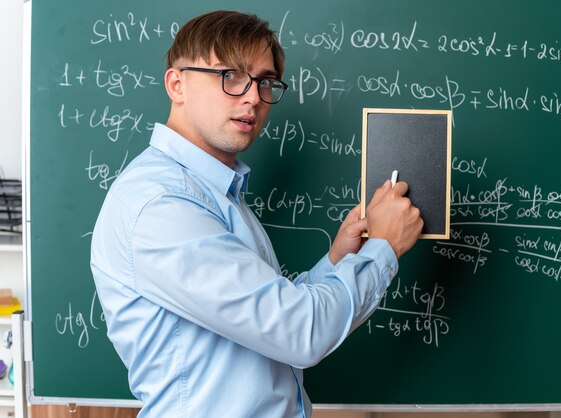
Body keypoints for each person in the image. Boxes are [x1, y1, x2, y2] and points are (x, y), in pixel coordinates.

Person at [90, 10, 423, 418]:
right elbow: (299, 332)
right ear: (177, 84)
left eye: (264, 81)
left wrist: (339, 260)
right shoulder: (163, 204)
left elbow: (269, 322)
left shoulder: (214, 192)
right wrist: (384, 247)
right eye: (230, 75)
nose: (252, 97)